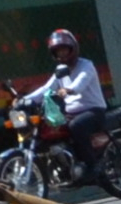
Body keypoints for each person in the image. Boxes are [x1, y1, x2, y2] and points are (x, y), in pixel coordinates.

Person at [37, 27, 111, 159]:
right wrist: (24, 100)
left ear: (73, 49)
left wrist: (68, 90)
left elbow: (80, 83)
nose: (62, 54)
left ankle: (90, 165)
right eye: (58, 52)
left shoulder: (87, 66)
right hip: (71, 114)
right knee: (51, 127)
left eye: (64, 50)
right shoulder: (60, 70)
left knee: (76, 126)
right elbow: (46, 88)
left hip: (94, 111)